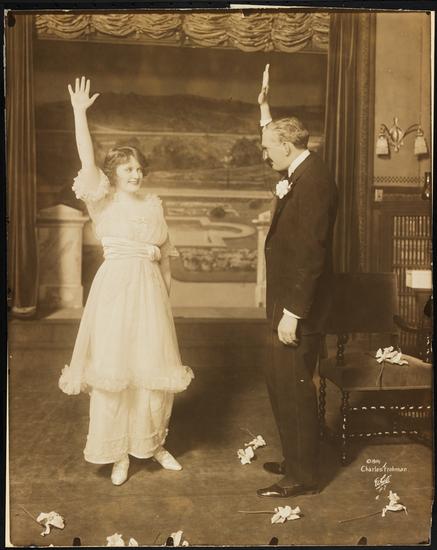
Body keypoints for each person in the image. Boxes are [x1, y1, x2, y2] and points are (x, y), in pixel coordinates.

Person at [59, 76, 193, 486]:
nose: (136, 174)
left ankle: (151, 444)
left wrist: (165, 300)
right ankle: (118, 452)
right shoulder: (104, 201)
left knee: (152, 367)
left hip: (150, 295)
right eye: (127, 168)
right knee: (115, 370)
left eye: (139, 168)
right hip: (115, 292)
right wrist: (80, 114)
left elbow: (164, 258)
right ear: (113, 173)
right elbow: (86, 161)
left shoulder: (154, 205)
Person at [256, 64, 338, 498]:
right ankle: (296, 459)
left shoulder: (313, 183)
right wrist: (265, 110)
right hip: (288, 303)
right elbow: (275, 142)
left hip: (297, 308)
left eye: (268, 148)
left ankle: (303, 476)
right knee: (282, 383)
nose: (264, 154)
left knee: (293, 388)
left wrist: (292, 314)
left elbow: (311, 254)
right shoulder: (300, 170)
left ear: (287, 147)